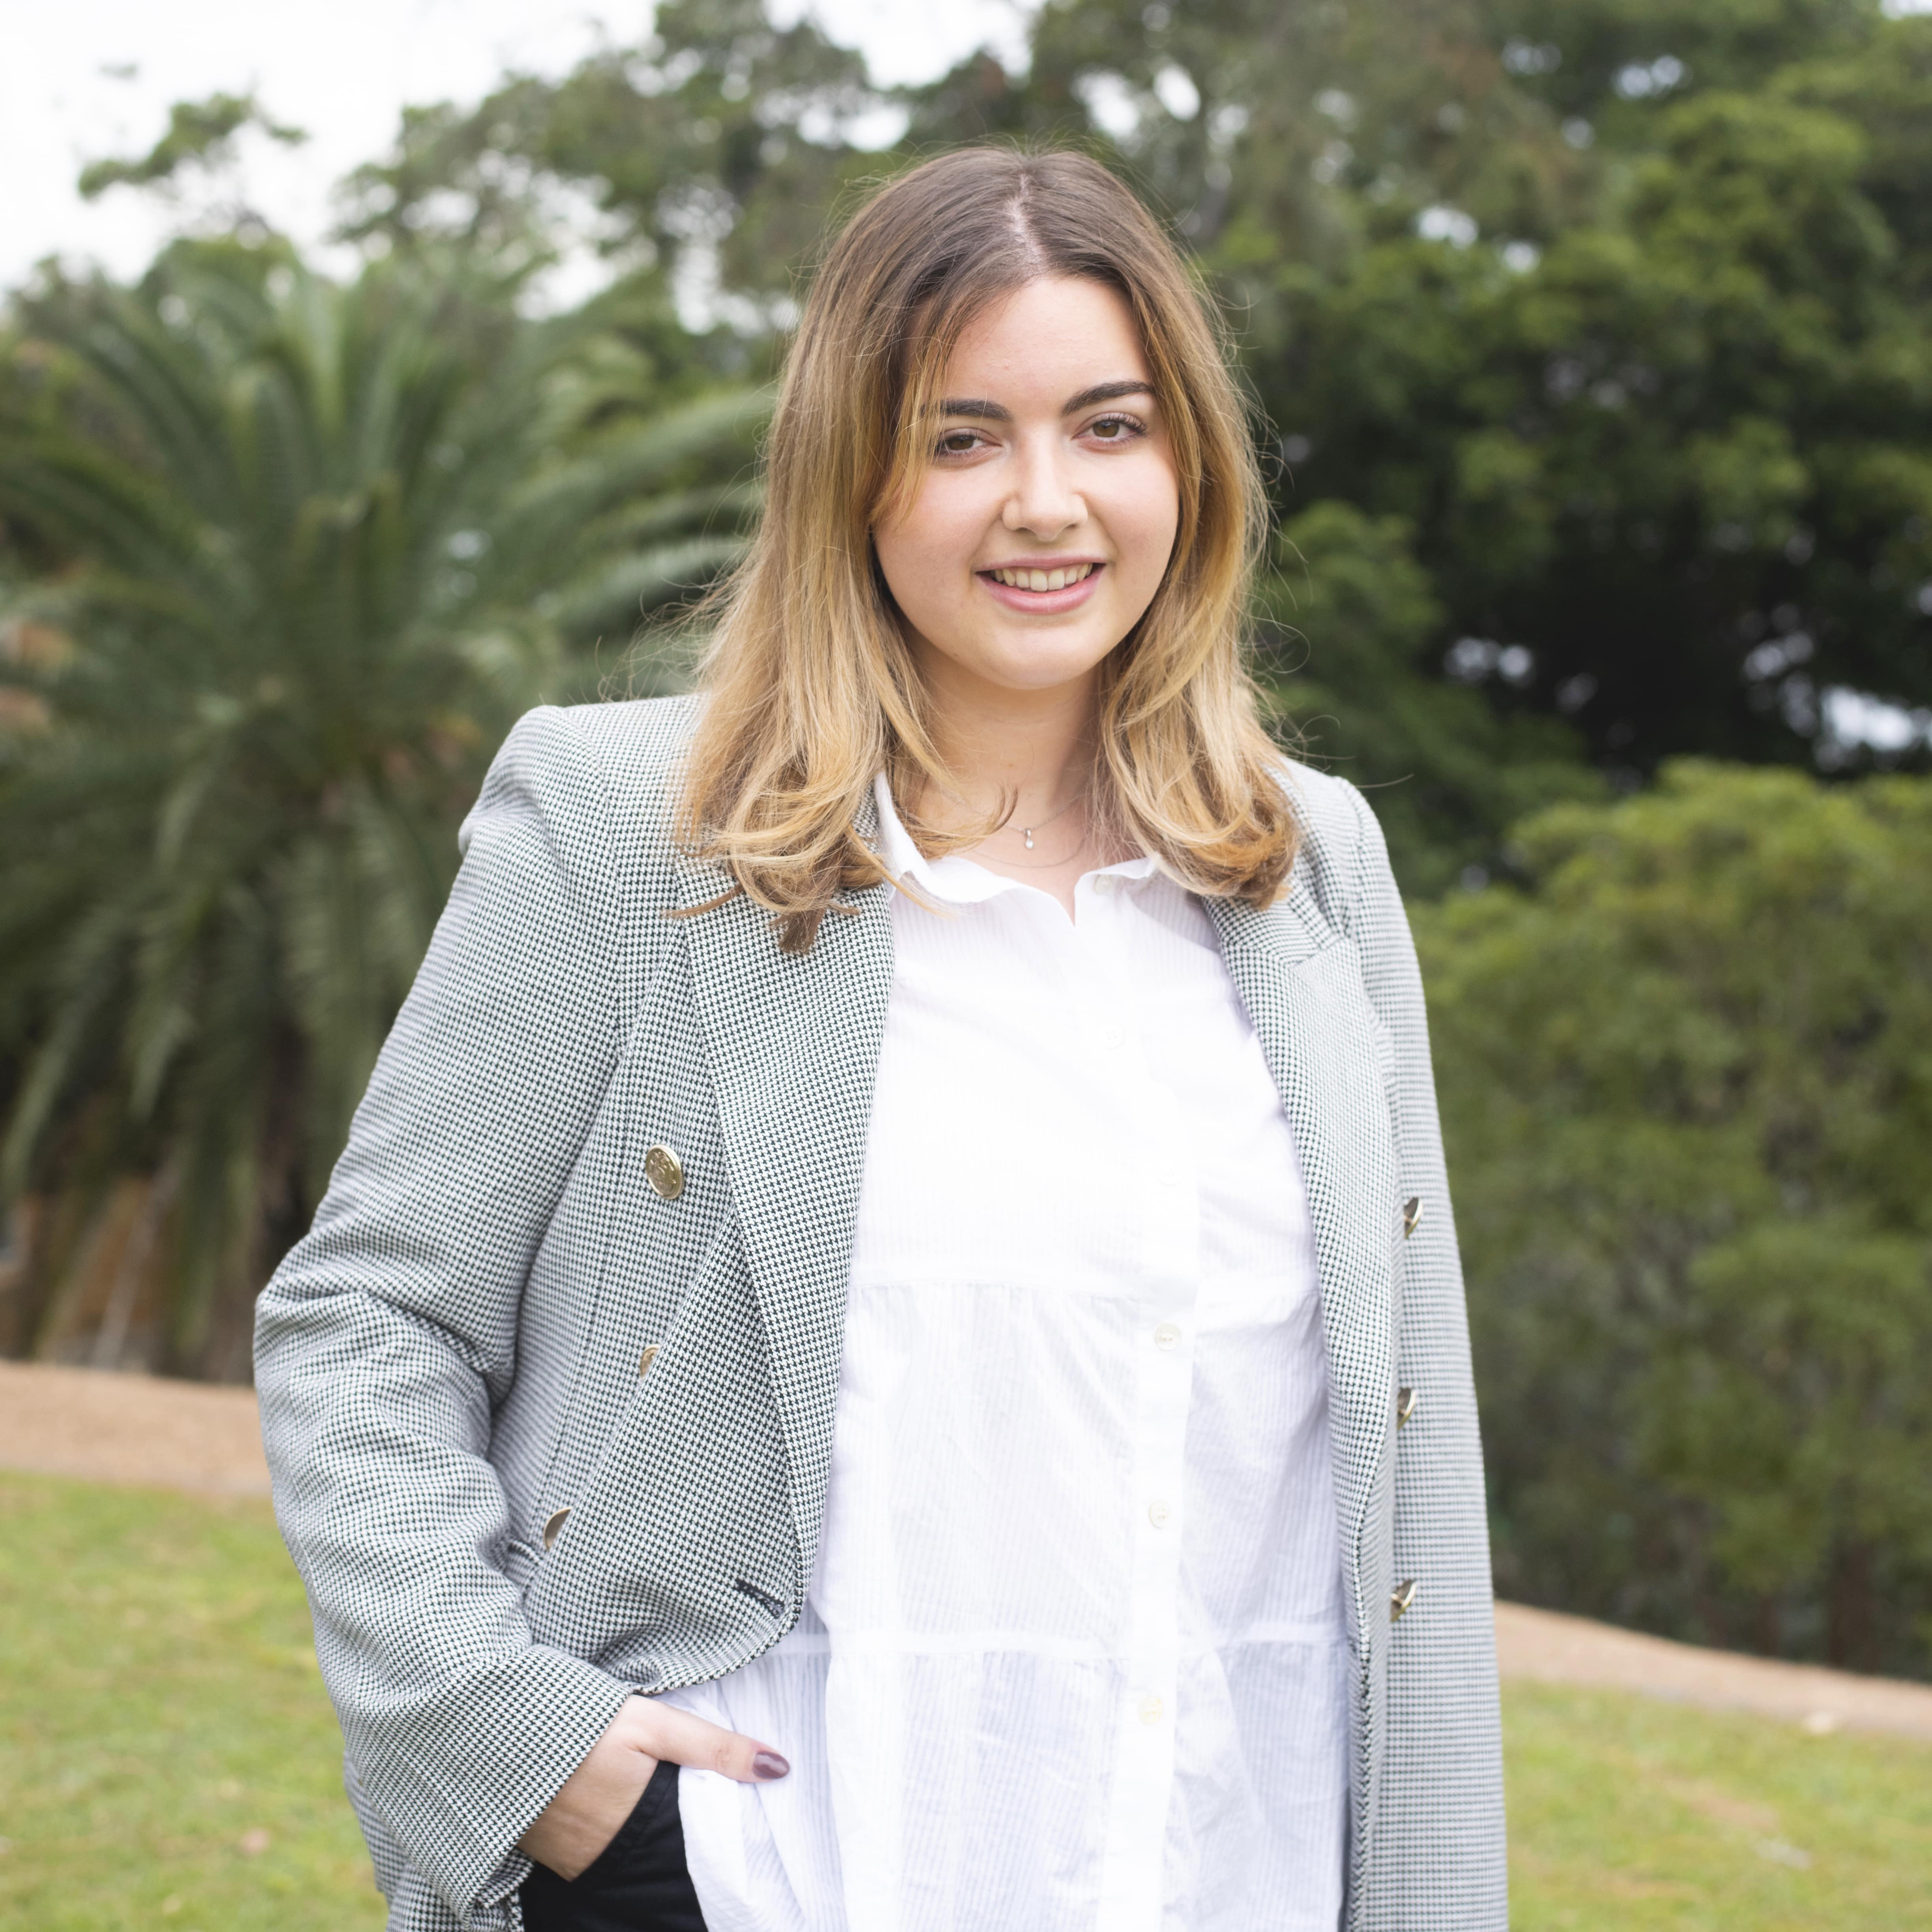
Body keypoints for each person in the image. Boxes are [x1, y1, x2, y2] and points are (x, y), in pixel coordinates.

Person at [255, 145, 1506, 1932]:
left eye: (1109, 427)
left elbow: (1405, 1447)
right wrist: (519, 1751)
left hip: (1238, 1871)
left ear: (1193, 465)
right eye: (961, 437)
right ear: (851, 476)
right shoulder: (626, 827)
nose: (1047, 504)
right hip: (780, 1868)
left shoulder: (1315, 870)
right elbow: (368, 1322)